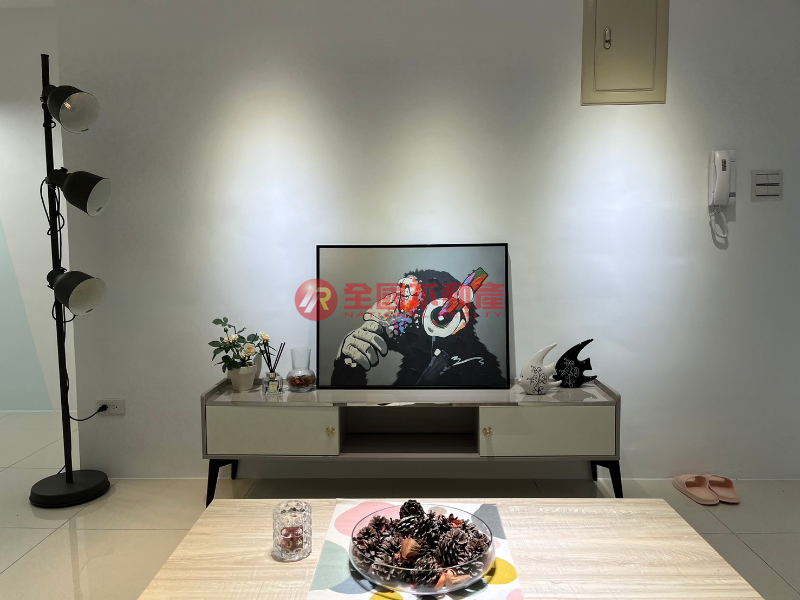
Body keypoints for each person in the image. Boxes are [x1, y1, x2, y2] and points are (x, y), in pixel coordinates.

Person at [330, 269, 505, 387]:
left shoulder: (474, 375)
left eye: (405, 295)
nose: (385, 305)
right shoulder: (417, 370)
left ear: (445, 320)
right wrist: (348, 369)